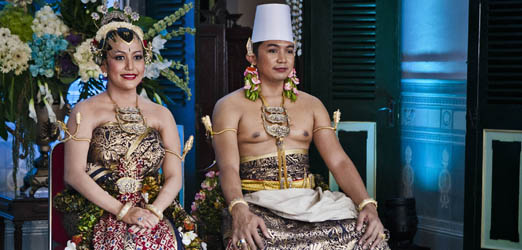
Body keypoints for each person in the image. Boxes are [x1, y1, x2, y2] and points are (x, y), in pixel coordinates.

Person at [211, 4, 390, 250]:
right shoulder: (229, 106)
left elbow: (338, 161)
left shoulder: (312, 105)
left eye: (289, 51)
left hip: (309, 203)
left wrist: (367, 204)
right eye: (272, 50)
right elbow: (228, 166)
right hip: (256, 203)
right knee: (254, 239)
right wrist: (238, 209)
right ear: (252, 55)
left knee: (366, 235)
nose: (283, 59)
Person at [55, 9, 185, 250]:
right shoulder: (86, 111)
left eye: (137, 57)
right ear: (103, 64)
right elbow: (73, 174)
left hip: (150, 209)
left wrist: (154, 212)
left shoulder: (161, 114)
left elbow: (175, 176)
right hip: (99, 208)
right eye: (119, 57)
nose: (130, 66)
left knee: (155, 238)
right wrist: (123, 211)